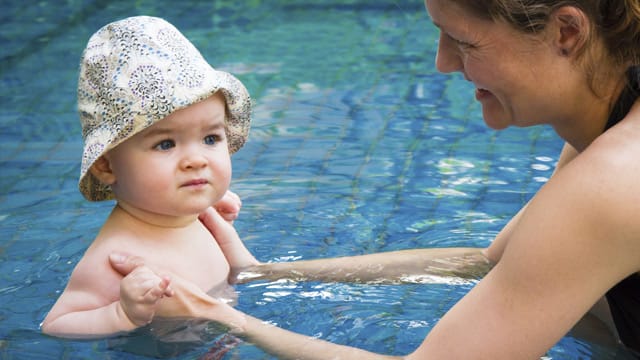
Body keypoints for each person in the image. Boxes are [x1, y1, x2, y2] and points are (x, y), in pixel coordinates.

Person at [112, 1, 640, 358]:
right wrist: (266, 274)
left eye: (463, 40)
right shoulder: (607, 126)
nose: (441, 62)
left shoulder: (613, 180)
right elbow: (489, 263)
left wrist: (225, 318)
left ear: (567, 33)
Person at [40, 16, 258, 340]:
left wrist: (207, 207)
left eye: (211, 138)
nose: (196, 160)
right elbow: (56, 324)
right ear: (106, 166)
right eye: (165, 144)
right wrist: (120, 313)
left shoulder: (184, 215)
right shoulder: (115, 257)